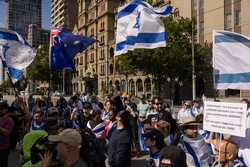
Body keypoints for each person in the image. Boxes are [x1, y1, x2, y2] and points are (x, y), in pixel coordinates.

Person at [0, 101, 14, 167]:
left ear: (6, 109)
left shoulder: (9, 120)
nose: (0, 110)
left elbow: (7, 133)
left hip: (4, 147)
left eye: (1, 109)